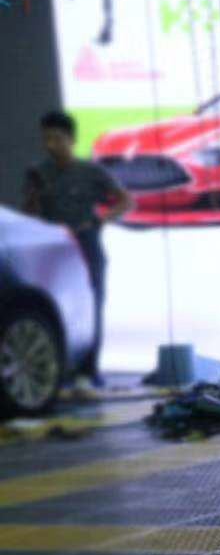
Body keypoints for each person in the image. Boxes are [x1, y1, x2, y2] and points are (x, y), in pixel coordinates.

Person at [21, 110, 131, 388]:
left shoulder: (90, 171)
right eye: (46, 139)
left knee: (92, 303)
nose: (51, 145)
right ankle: (59, 371)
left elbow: (125, 201)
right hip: (53, 245)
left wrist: (101, 218)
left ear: (71, 139)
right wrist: (33, 197)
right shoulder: (39, 172)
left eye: (57, 138)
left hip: (85, 241)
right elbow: (29, 212)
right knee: (53, 305)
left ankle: (89, 369)